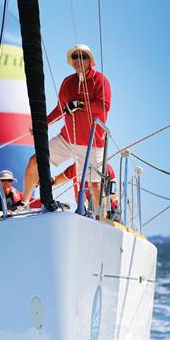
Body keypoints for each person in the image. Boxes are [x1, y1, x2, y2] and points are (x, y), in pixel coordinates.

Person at [20, 43, 111, 214]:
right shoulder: (68, 82)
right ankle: (23, 202)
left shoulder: (101, 80)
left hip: (92, 143)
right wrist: (42, 124)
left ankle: (102, 219)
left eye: (82, 56)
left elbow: (103, 106)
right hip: (68, 139)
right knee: (35, 161)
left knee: (95, 185)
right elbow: (60, 109)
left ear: (90, 60)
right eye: (75, 57)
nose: (78, 60)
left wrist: (80, 104)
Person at [55, 163, 119, 219]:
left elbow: (113, 195)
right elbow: (56, 180)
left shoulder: (106, 168)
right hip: (89, 209)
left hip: (111, 210)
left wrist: (102, 201)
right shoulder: (74, 168)